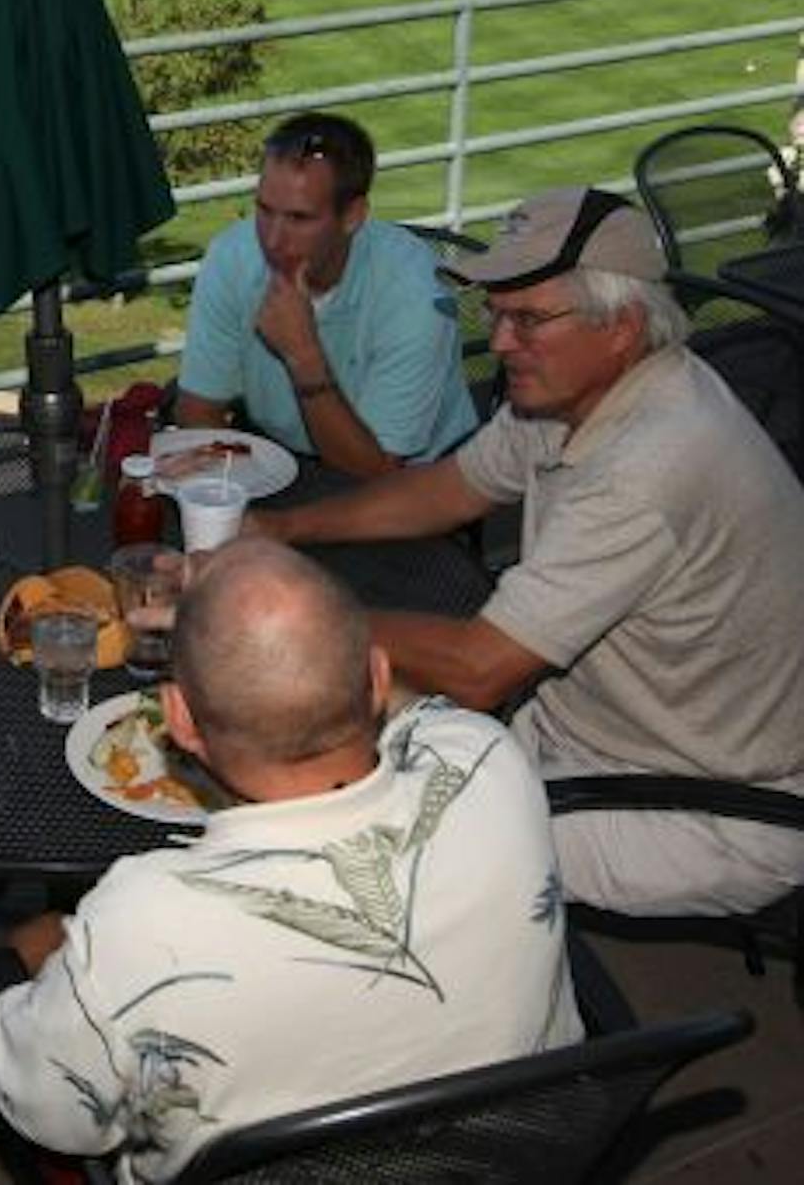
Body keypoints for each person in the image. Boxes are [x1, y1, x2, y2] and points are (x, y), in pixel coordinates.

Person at [247, 186, 804, 918]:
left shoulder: (654, 462)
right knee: (303, 738)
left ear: (622, 327)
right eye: (498, 315)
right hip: (580, 725)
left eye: (530, 319)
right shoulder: (570, 394)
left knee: (349, 849)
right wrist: (280, 534)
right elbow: (445, 491)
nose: (501, 343)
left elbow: (478, 669)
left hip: (705, 803)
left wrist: (278, 610)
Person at [0, 542, 578, 1182]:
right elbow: (421, 715)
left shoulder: (137, 926)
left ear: (179, 721)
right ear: (375, 676)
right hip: (510, 1159)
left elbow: (50, 1115)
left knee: (2, 973)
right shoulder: (490, 759)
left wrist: (53, 957)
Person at [176, 112, 476, 476]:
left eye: (299, 219)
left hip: (409, 480)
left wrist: (303, 355)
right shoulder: (232, 257)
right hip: (277, 458)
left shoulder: (416, 298)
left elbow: (375, 472)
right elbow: (199, 412)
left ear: (353, 215)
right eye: (265, 211)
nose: (272, 240)